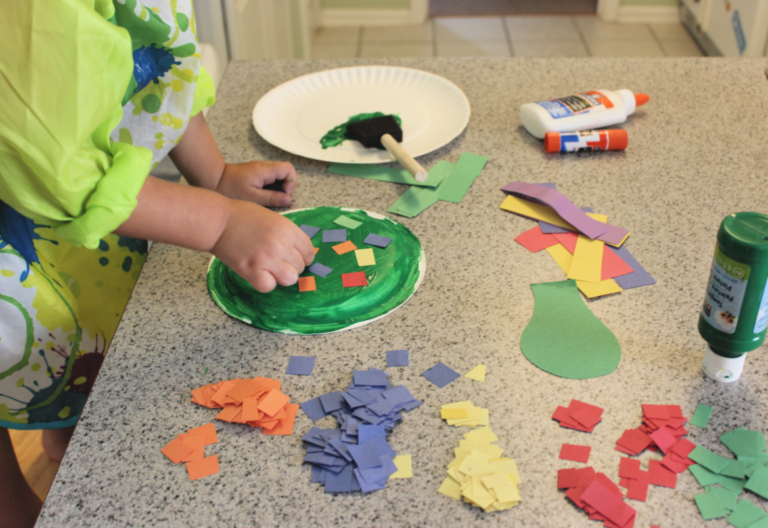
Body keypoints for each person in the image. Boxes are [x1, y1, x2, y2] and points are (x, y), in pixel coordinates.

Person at [0, 2, 313, 527]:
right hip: (31, 222)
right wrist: (218, 223)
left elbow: (161, 62)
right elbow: (68, 175)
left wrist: (213, 176)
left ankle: (64, 432)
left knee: (76, 340)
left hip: (82, 216)